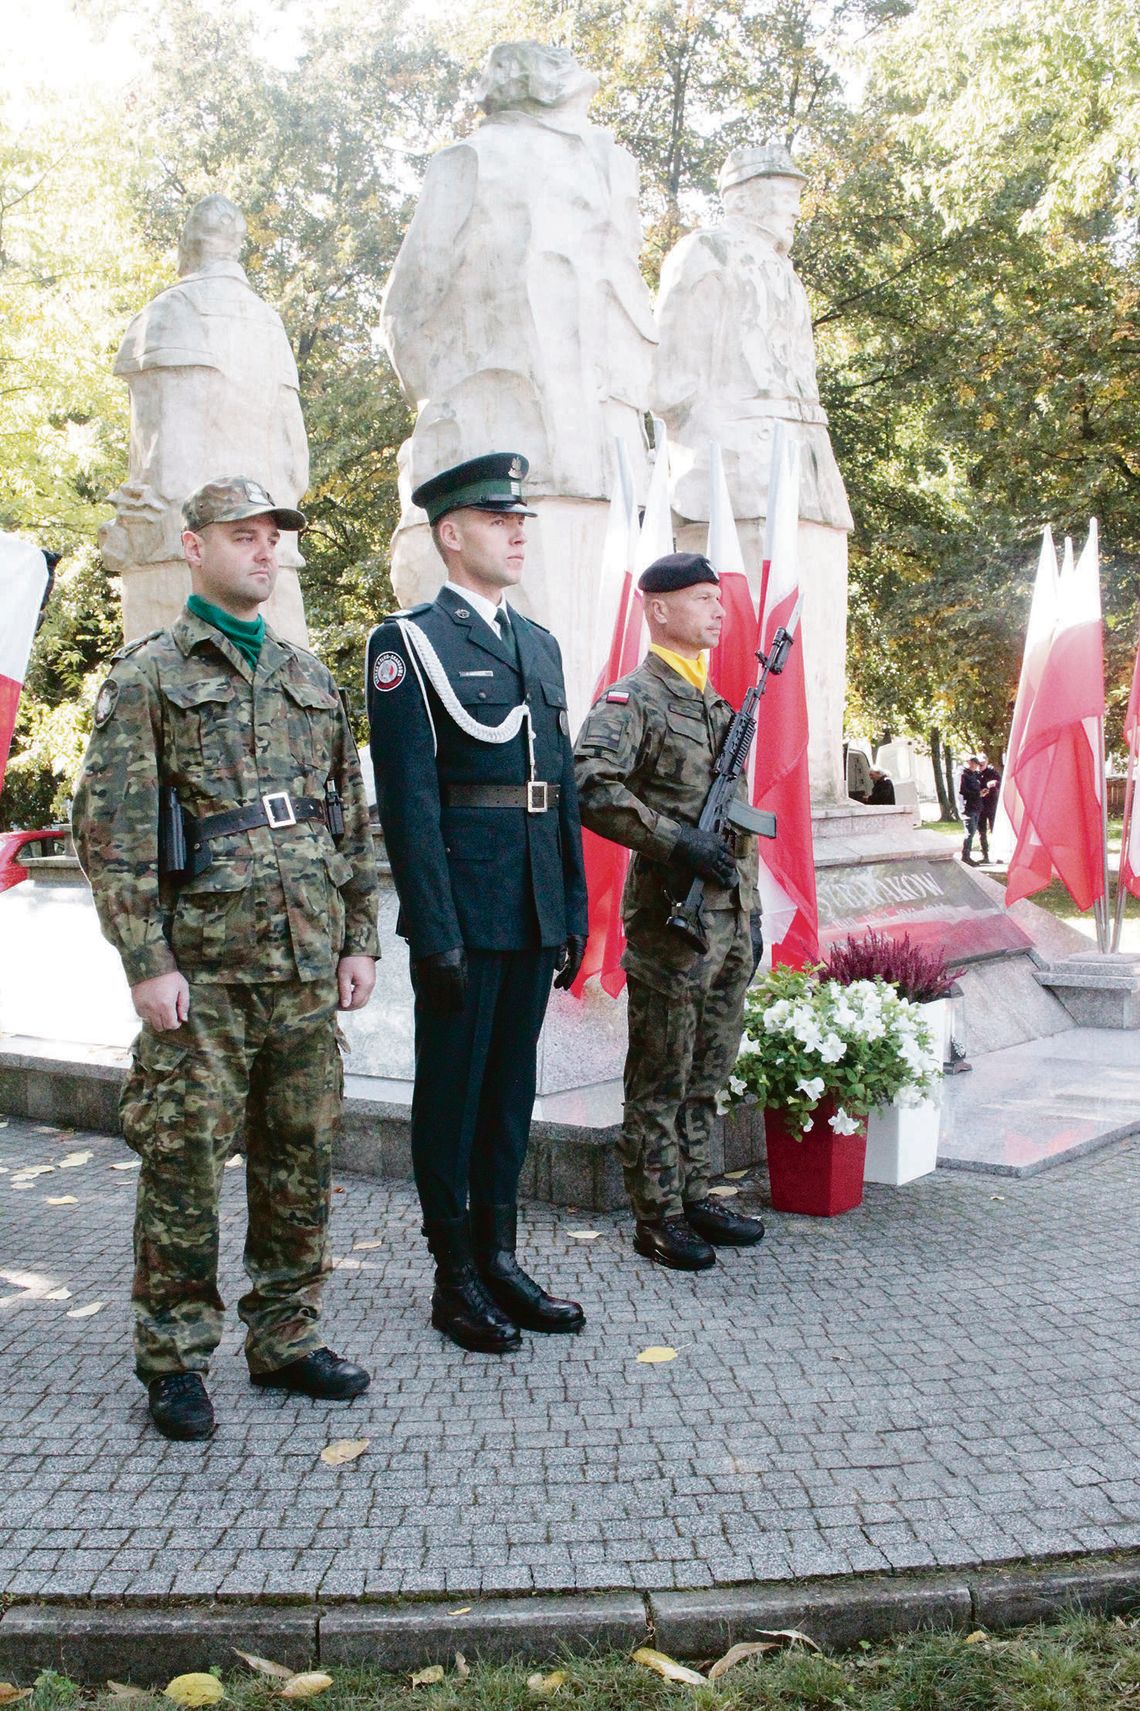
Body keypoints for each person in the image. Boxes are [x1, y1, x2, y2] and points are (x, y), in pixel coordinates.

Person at [72, 477, 380, 1442]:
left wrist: (359, 933)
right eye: (241, 536)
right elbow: (110, 832)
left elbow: (350, 818)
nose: (262, 552)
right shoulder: (149, 676)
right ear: (194, 546)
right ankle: (172, 1356)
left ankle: (285, 1336)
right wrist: (145, 958)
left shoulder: (310, 677)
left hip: (300, 966)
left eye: (271, 539)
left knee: (300, 1157)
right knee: (185, 1164)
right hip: (200, 972)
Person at [366, 452, 589, 1354]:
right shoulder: (409, 641)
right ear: (451, 533)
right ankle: (452, 1273)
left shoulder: (539, 644)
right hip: (466, 902)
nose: (518, 530)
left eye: (521, 518)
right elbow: (410, 798)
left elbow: (560, 786)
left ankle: (499, 1255)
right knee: (453, 1094)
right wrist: (435, 929)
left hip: (532, 900)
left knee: (510, 1092)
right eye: (500, 519)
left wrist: (571, 904)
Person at [573, 552, 767, 1272]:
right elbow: (591, 783)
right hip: (670, 922)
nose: (719, 610)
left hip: (726, 923)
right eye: (703, 598)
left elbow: (736, 823)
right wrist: (672, 839)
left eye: (721, 598)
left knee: (708, 1069)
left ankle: (693, 1192)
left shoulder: (720, 707)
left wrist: (749, 912)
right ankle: (655, 1215)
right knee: (660, 1071)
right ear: (659, 609)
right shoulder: (636, 699)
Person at [959, 755, 988, 863]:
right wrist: (977, 794)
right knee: (969, 833)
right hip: (968, 807)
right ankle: (965, 857)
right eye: (974, 763)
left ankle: (968, 856)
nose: (975, 766)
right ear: (969, 762)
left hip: (977, 806)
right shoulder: (963, 775)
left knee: (972, 832)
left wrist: (982, 793)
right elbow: (962, 792)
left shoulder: (975, 775)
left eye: (976, 764)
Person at [978, 755, 1001, 841]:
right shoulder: (974, 774)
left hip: (991, 804)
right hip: (979, 805)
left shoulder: (992, 772)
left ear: (987, 763)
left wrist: (995, 783)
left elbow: (1001, 784)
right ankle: (984, 851)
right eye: (979, 764)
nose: (981, 766)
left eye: (983, 764)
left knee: (994, 827)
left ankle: (996, 847)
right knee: (981, 830)